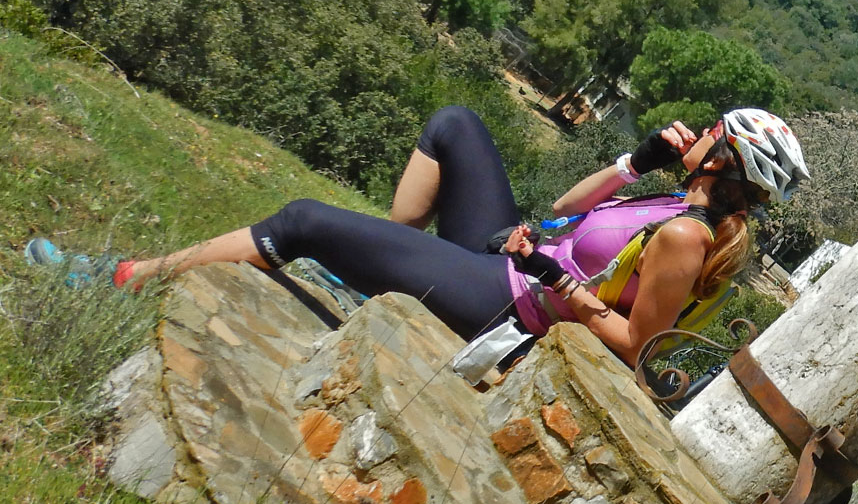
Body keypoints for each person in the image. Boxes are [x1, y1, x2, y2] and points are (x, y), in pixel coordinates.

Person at [108, 105, 808, 370]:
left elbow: (635, 346)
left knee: (302, 220)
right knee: (456, 124)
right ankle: (384, 257)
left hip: (515, 303)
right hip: (512, 254)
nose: (699, 129)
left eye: (712, 130)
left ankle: (134, 275)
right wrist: (636, 161)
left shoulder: (688, 237)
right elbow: (563, 210)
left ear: (724, 157)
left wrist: (554, 280)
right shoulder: (672, 198)